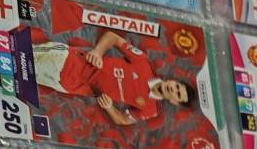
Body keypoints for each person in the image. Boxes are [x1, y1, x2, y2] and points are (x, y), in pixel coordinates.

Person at [32, 29, 195, 128]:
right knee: (20, 56)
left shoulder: (150, 110)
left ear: (174, 102)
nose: (173, 89)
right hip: (66, 60)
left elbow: (122, 120)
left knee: (21, 72)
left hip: (66, 84)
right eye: (177, 86)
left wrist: (110, 108)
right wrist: (97, 52)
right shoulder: (143, 63)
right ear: (174, 81)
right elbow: (113, 37)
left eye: (177, 94)